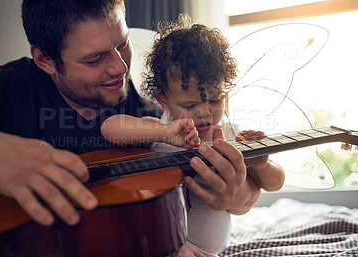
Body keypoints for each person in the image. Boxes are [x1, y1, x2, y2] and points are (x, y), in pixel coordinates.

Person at [0, 0, 263, 254]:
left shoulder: (145, 115)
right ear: (44, 59)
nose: (120, 67)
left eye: (122, 44)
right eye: (95, 58)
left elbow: (178, 201)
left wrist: (238, 197)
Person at [101, 14, 285, 257]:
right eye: (189, 106)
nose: (205, 113)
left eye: (216, 99)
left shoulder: (232, 135)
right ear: (163, 99)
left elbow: (276, 182)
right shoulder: (162, 127)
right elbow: (110, 128)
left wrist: (261, 163)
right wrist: (164, 132)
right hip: (162, 247)